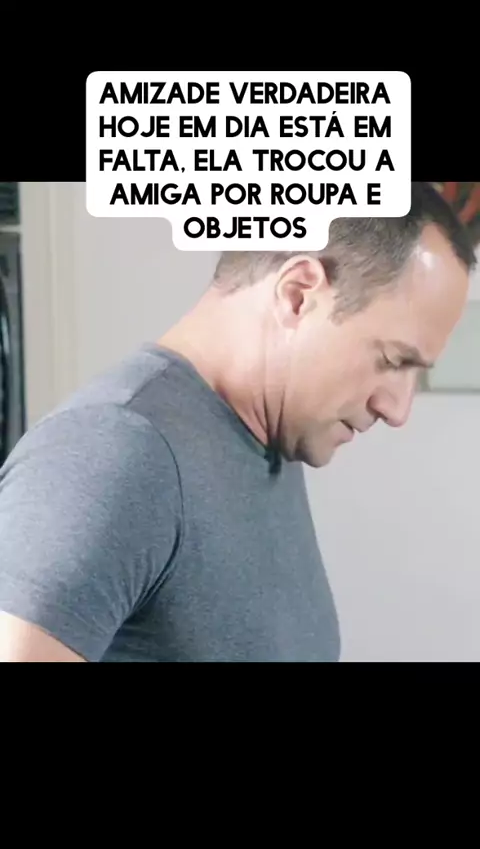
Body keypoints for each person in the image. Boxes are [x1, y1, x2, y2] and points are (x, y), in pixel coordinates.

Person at [0, 182, 475, 662]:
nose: (397, 410)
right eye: (393, 360)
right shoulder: (112, 454)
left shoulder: (269, 439)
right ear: (298, 295)